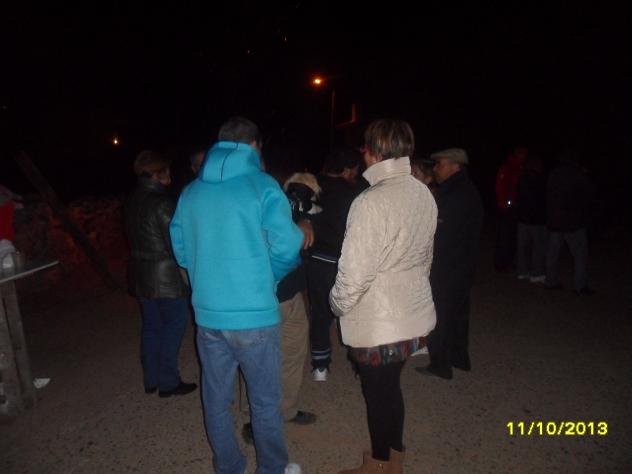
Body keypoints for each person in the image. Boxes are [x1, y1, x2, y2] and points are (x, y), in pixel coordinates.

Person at [169, 116, 304, 474]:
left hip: (208, 316)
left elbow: (180, 249)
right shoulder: (263, 185)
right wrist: (268, 276)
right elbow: (288, 244)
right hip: (254, 314)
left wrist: (205, 278)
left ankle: (228, 466)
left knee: (216, 401)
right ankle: (271, 468)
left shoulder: (191, 192)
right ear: (255, 145)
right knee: (264, 403)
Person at [330, 119, 437, 474]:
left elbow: (354, 273)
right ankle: (395, 461)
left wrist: (336, 304)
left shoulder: (370, 201)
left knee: (378, 395)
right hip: (412, 314)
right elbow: (426, 258)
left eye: (365, 147)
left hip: (378, 322)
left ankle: (378, 465)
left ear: (374, 152)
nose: (363, 153)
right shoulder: (422, 192)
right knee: (390, 390)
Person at [123, 150, 197, 397]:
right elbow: (176, 243)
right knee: (173, 326)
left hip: (140, 273)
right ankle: (168, 382)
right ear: (157, 174)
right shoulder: (162, 203)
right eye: (166, 172)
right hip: (165, 277)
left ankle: (151, 379)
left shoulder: (131, 200)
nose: (170, 177)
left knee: (152, 326)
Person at [417, 148, 484, 380]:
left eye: (441, 164)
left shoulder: (455, 194)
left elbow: (441, 235)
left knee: (440, 315)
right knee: (458, 313)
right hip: (462, 265)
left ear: (456, 166)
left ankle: (440, 365)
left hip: (448, 266)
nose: (436, 169)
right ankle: (458, 358)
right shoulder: (464, 189)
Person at [305, 145, 363, 382]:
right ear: (347, 170)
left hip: (318, 260)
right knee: (353, 311)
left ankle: (320, 366)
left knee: (320, 311)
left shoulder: (310, 186)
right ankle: (360, 365)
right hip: (347, 261)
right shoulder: (357, 192)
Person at [544, 150, 595, 294]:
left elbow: (548, 195)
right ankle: (579, 285)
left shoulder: (554, 174)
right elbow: (589, 194)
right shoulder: (578, 174)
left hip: (555, 220)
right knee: (580, 254)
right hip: (573, 222)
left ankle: (550, 281)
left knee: (553, 253)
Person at [494, 146, 527, 271]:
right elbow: (500, 187)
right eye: (522, 153)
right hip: (507, 208)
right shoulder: (508, 167)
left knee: (512, 236)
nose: (524, 156)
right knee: (505, 236)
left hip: (515, 207)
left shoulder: (521, 167)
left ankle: (509, 261)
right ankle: (501, 263)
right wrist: (506, 203)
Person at [516, 155, 548, 283]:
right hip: (536, 219)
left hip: (523, 218)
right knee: (538, 247)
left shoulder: (522, 178)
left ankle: (522, 272)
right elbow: (542, 199)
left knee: (523, 247)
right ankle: (537, 273)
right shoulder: (540, 179)